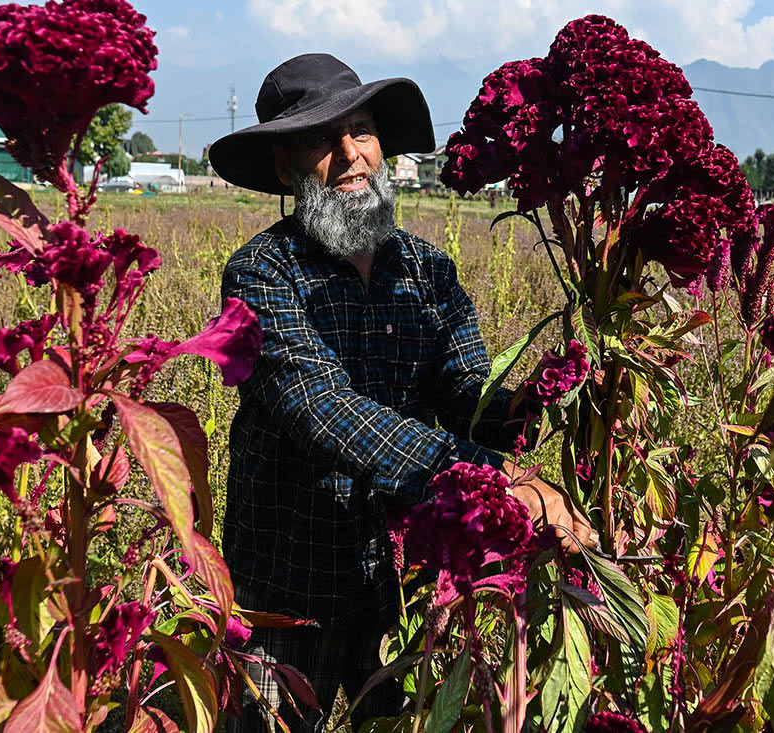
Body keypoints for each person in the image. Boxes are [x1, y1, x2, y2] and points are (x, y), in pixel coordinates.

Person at [209, 54, 595, 733]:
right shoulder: (261, 273)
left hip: (402, 589)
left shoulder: (427, 271)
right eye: (320, 139)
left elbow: (462, 391)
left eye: (360, 130)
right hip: (284, 589)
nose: (349, 153)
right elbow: (322, 408)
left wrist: (546, 402)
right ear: (285, 167)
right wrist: (492, 479)